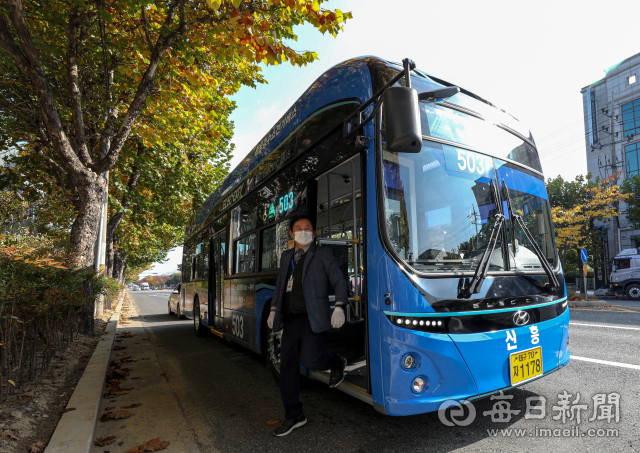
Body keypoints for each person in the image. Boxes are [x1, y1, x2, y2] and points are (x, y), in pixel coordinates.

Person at [267, 214, 348, 437]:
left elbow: (338, 279)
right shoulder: (286, 257)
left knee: (311, 360)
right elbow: (280, 286)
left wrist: (340, 305)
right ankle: (294, 415)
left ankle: (336, 361)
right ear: (292, 234)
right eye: (299, 228)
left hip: (312, 319)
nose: (304, 231)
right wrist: (274, 310)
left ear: (314, 233)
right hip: (290, 320)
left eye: (308, 228)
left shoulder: (322, 253)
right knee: (287, 369)